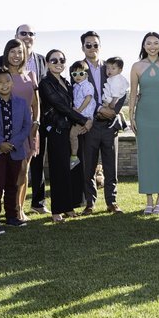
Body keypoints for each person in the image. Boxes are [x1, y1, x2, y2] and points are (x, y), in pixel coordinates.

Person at [39, 50, 93, 223]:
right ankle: (57, 210)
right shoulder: (46, 83)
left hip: (71, 130)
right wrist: (84, 120)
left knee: (73, 168)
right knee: (59, 170)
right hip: (57, 130)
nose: (58, 63)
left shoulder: (67, 82)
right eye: (54, 60)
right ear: (47, 63)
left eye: (61, 60)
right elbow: (61, 106)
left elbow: (76, 103)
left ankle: (69, 207)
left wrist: (84, 121)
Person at [0, 67, 32, 233]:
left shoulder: (21, 103)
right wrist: (0, 143)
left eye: (7, 81)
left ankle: (12, 216)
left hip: (16, 150)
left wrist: (12, 143)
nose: (4, 85)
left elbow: (26, 126)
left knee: (12, 185)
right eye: (0, 82)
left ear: (12, 83)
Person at [128, 33, 159, 214]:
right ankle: (149, 200)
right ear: (144, 45)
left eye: (156, 43)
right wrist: (131, 116)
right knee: (146, 158)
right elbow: (133, 93)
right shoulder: (136, 66)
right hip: (144, 115)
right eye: (149, 43)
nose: (152, 46)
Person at [79, 31, 121, 214]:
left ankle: (112, 202)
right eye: (88, 45)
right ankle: (90, 203)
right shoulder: (78, 68)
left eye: (95, 44)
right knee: (88, 167)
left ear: (100, 46)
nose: (92, 48)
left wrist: (114, 111)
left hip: (110, 125)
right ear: (83, 47)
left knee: (111, 166)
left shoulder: (110, 67)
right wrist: (99, 109)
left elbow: (122, 89)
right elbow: (78, 94)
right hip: (90, 124)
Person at [2, 39, 40, 222]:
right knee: (16, 170)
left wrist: (36, 122)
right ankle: (11, 207)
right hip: (10, 131)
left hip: (30, 130)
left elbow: (36, 103)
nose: (16, 56)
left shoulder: (31, 75)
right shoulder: (1, 76)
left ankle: (19, 208)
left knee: (24, 172)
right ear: (6, 54)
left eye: (20, 52)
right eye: (12, 52)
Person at [14, 25, 50, 215]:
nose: (27, 36)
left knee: (37, 161)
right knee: (17, 164)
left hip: (37, 117)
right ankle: (13, 205)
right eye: (23, 33)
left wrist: (38, 118)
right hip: (14, 120)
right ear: (16, 36)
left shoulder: (42, 60)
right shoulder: (4, 60)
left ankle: (38, 202)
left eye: (31, 34)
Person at [69, 60, 95, 169]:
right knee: (75, 136)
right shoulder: (75, 86)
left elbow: (88, 98)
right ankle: (75, 157)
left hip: (84, 115)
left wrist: (79, 110)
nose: (78, 76)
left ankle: (74, 157)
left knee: (72, 135)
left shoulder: (87, 85)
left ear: (86, 75)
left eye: (81, 73)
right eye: (74, 74)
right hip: (79, 115)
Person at [100, 56, 130, 130]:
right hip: (112, 97)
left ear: (120, 70)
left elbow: (116, 92)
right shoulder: (116, 78)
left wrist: (113, 102)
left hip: (111, 99)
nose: (109, 70)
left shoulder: (116, 80)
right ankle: (122, 122)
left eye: (113, 68)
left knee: (105, 109)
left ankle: (114, 119)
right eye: (108, 68)